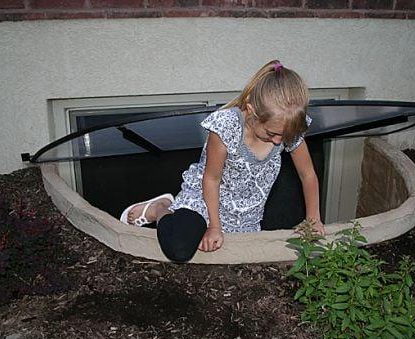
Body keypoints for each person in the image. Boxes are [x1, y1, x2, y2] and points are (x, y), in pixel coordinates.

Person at [120, 60, 325, 262]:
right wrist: (214, 227)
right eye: (272, 133)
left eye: (284, 135)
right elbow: (211, 179)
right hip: (205, 199)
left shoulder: (288, 127)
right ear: (252, 111)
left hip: (246, 213)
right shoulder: (226, 127)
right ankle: (160, 208)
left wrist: (313, 218)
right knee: (179, 249)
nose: (279, 141)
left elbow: (307, 175)